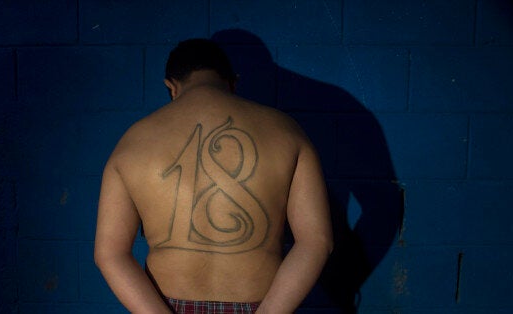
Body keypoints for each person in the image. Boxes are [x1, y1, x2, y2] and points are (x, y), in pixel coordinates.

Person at [94, 38, 333, 313]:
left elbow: (110, 253)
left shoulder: (132, 142)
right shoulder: (287, 132)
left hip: (166, 306)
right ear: (233, 82)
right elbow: (316, 242)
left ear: (170, 86)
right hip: (264, 305)